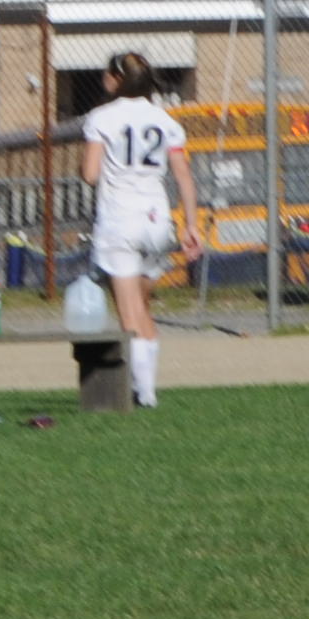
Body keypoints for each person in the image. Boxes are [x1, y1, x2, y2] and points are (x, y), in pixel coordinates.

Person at [81, 53, 188, 408]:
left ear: (117, 78)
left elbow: (90, 174)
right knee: (142, 308)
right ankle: (147, 387)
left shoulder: (102, 117)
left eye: (106, 73)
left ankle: (144, 394)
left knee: (128, 312)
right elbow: (183, 176)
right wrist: (191, 225)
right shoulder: (165, 119)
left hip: (121, 219)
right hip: (157, 220)